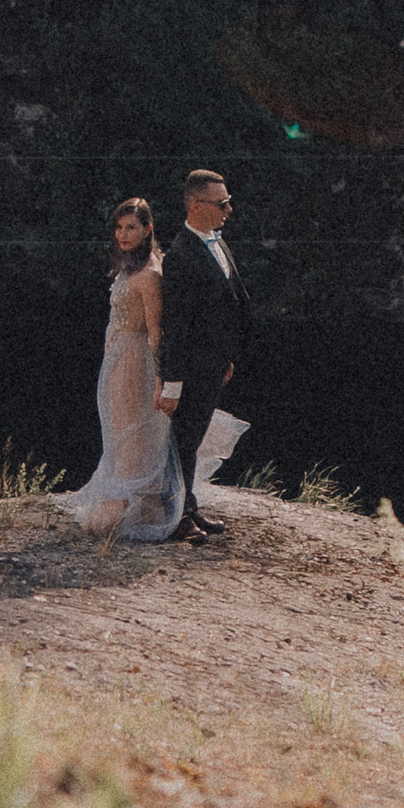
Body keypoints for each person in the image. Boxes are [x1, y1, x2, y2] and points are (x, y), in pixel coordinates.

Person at [58, 197, 184, 540]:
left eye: (131, 227)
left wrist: (162, 382)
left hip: (134, 361)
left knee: (133, 432)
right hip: (118, 356)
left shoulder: (149, 274)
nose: (123, 234)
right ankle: (137, 501)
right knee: (120, 429)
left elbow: (157, 331)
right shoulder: (130, 266)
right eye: (119, 226)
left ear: (148, 229)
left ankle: (138, 505)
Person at [155, 167, 251, 540]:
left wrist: (228, 357)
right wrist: (173, 383)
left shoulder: (216, 241)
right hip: (191, 369)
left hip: (213, 365)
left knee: (192, 440)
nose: (228, 209)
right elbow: (176, 327)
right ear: (196, 206)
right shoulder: (180, 255)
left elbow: (227, 307)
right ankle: (175, 518)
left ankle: (189, 507)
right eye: (222, 203)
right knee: (181, 443)